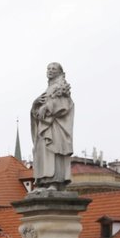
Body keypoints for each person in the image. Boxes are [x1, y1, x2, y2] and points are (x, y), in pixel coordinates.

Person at [30, 62, 74, 190]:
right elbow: (37, 113)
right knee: (43, 153)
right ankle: (43, 181)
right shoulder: (48, 89)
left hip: (55, 127)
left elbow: (65, 105)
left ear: (60, 72)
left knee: (54, 152)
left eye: (53, 69)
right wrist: (35, 104)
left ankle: (55, 181)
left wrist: (47, 107)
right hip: (44, 127)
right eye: (48, 68)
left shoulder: (62, 87)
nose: (50, 70)